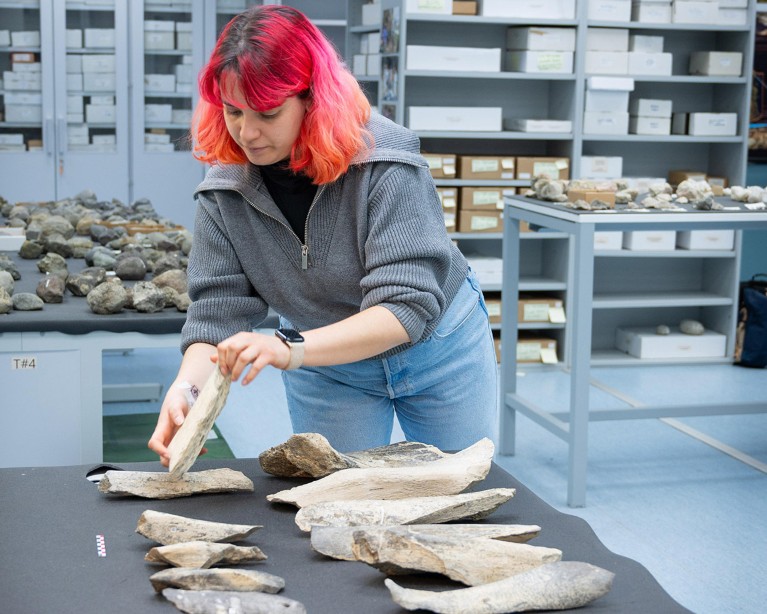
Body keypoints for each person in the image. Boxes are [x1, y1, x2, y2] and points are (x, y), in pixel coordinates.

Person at [148, 5, 497, 462]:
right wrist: (187, 389)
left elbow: (404, 308)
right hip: (324, 362)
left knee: (457, 491)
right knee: (338, 498)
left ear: (312, 98)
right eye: (232, 111)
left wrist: (285, 347)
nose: (246, 132)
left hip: (437, 349)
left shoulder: (386, 162)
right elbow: (217, 312)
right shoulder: (225, 188)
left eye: (267, 113)